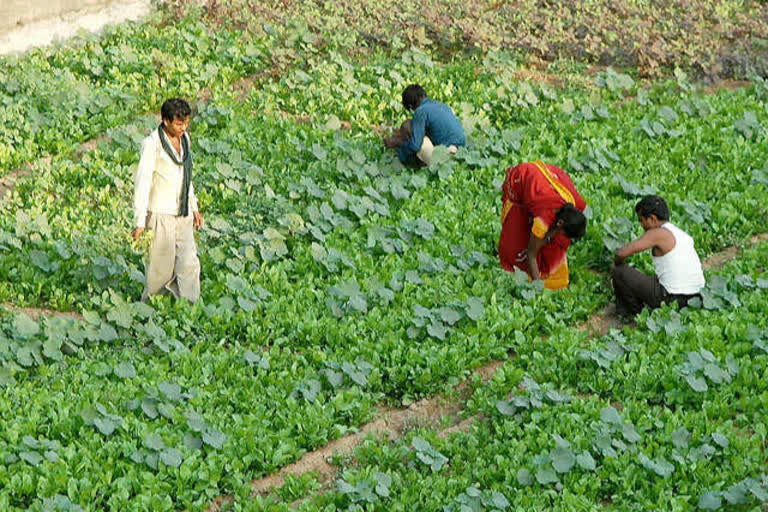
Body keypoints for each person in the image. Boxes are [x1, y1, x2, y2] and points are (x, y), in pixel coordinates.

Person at [132, 98, 203, 303]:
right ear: (165, 121)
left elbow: (186, 176)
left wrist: (194, 206)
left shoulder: (185, 140)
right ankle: (153, 308)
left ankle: (189, 306)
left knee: (189, 262)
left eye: (186, 123)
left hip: (183, 213)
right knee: (160, 268)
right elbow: (142, 183)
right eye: (179, 124)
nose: (183, 128)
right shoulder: (152, 145)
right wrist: (139, 221)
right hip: (161, 213)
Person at [498, 160, 587, 290]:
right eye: (563, 231)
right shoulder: (543, 219)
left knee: (556, 241)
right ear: (560, 223)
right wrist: (537, 286)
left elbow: (558, 232)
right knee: (516, 250)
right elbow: (531, 254)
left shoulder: (575, 203)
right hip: (521, 179)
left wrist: (549, 236)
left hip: (549, 179)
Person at [612, 195, 705, 317]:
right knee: (652, 278)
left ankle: (633, 313)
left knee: (619, 271)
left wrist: (621, 265)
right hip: (696, 297)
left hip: (672, 299)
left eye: (641, 220)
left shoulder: (657, 233)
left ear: (652, 219)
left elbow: (621, 253)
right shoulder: (681, 234)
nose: (641, 225)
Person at [383, 84, 465, 166]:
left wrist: (399, 145)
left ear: (411, 107)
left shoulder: (420, 111)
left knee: (408, 126)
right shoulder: (440, 104)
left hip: (446, 156)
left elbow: (415, 146)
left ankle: (417, 163)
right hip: (461, 152)